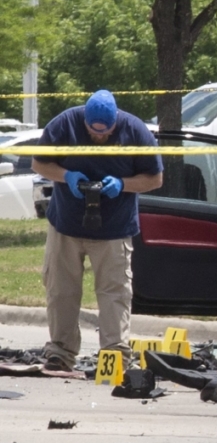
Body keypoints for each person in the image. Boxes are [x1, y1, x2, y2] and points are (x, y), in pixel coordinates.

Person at [32, 90, 163, 372]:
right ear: (85, 121)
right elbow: (39, 163)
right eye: (94, 130)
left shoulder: (135, 131)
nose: (99, 135)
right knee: (61, 291)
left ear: (115, 121)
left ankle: (115, 355)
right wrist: (66, 176)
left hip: (115, 228)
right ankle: (61, 352)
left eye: (106, 131)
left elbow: (155, 179)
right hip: (66, 225)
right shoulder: (64, 124)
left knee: (114, 293)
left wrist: (123, 184)